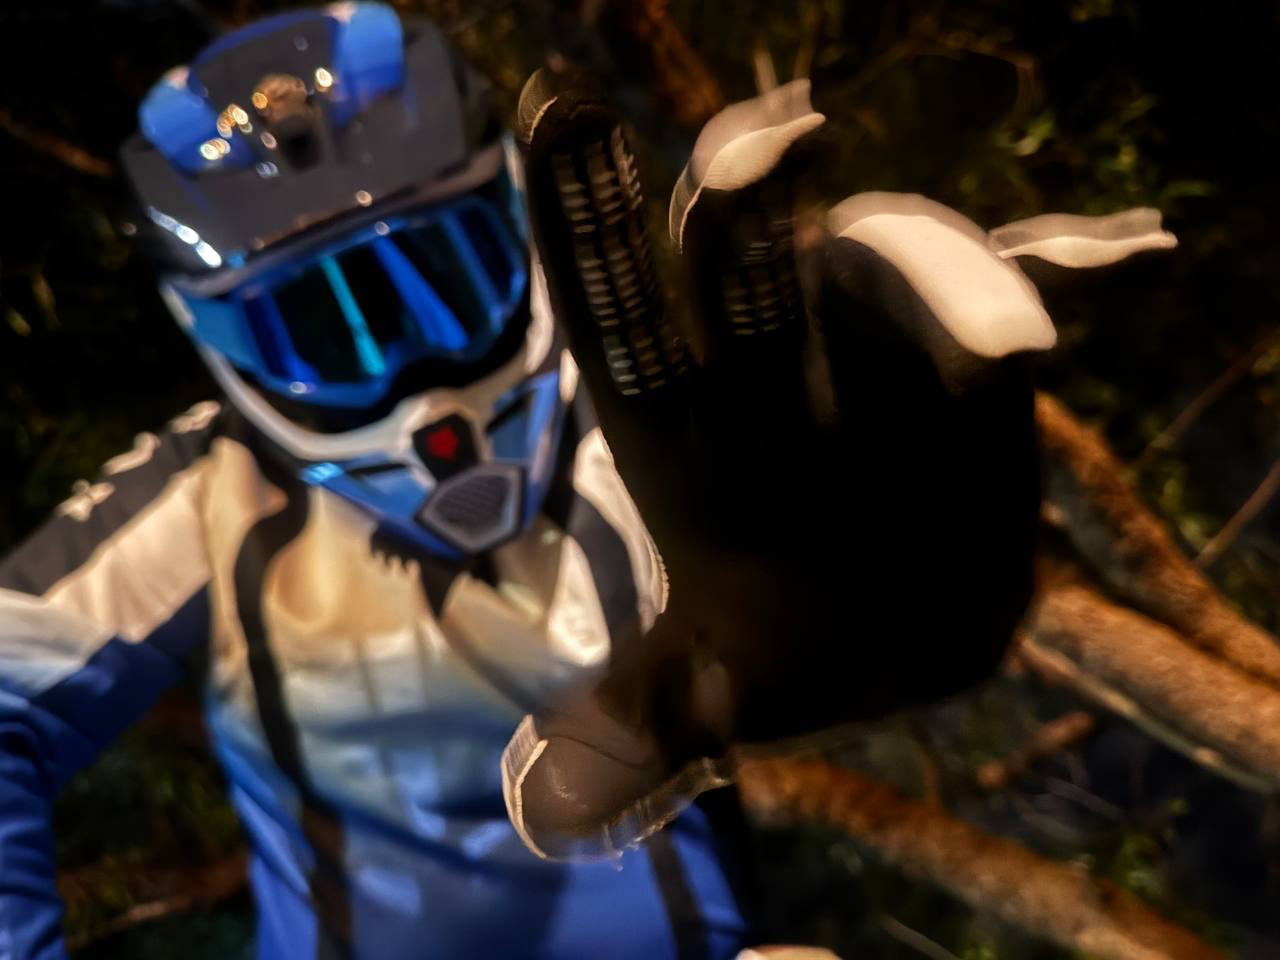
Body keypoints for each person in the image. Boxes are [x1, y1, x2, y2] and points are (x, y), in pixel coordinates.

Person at [0, 3, 1177, 957]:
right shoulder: (209, 493)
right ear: (215, 343)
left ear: (509, 224)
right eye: (315, 325)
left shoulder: (654, 434)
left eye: (441, 278)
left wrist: (894, 603)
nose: (416, 382)